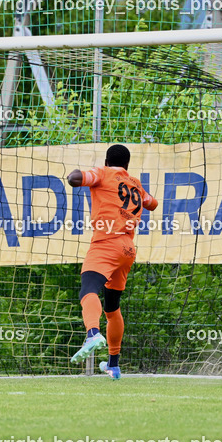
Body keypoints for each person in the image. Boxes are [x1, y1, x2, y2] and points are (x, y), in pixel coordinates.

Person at [66, 144, 157, 380]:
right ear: (127, 165)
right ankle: (114, 365)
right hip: (127, 248)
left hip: (106, 242)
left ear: (106, 161)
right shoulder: (134, 183)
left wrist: (77, 175)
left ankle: (93, 333)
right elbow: (152, 203)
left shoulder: (102, 173)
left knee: (88, 289)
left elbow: (76, 179)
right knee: (112, 306)